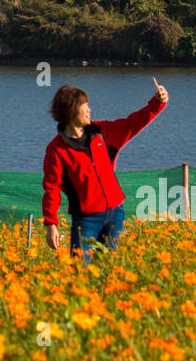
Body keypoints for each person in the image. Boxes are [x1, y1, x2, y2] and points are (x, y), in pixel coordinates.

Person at [42, 78, 168, 263]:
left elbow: (132, 124)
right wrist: (51, 224)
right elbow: (51, 189)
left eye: (87, 104)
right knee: (80, 274)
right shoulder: (56, 149)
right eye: (83, 106)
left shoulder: (102, 131)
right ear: (69, 112)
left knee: (106, 271)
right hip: (86, 221)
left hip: (115, 214)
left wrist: (157, 103)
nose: (88, 109)